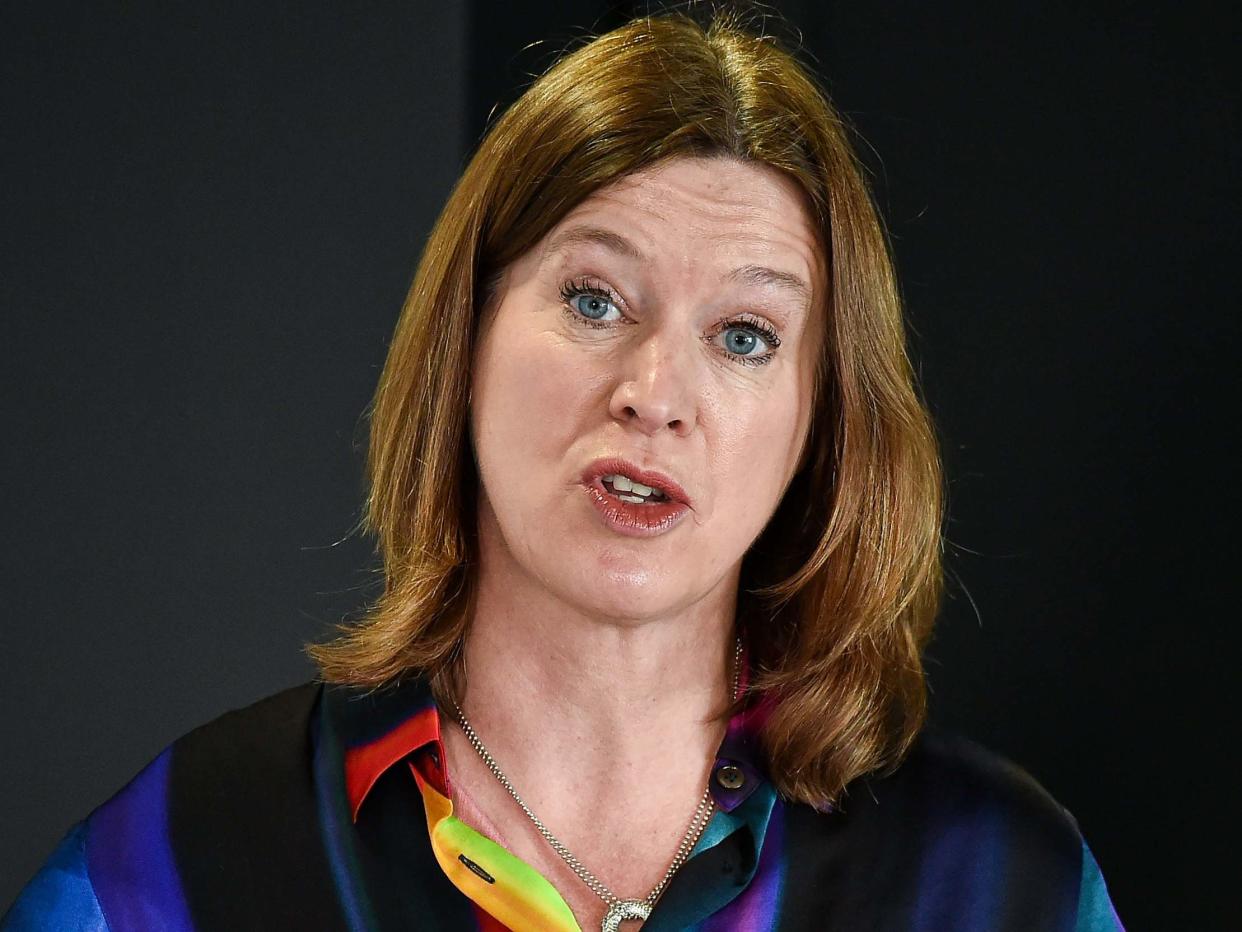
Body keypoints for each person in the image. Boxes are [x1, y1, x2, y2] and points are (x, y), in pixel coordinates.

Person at [2, 10, 1124, 932]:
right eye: (594, 299)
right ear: (468, 342)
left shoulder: (996, 883)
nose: (654, 389)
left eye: (743, 335)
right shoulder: (176, 868)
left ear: (821, 421)